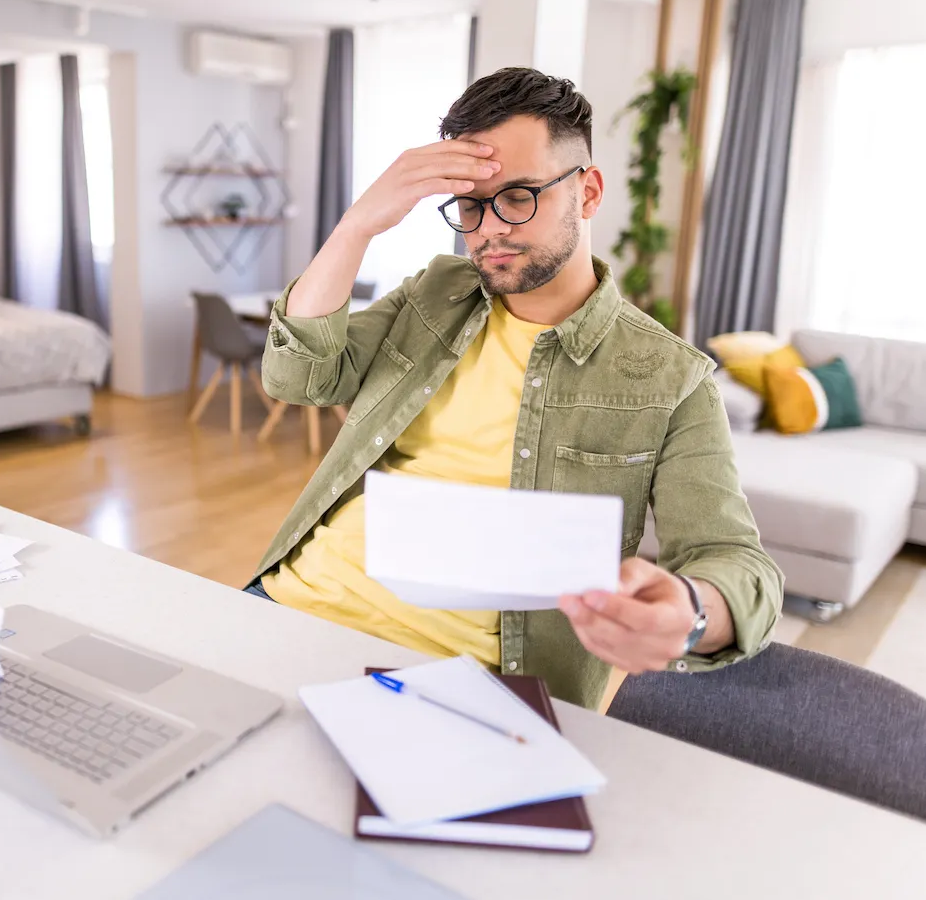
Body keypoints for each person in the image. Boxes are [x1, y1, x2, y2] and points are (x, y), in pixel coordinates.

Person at [245, 67, 783, 710]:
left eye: (519, 196)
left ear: (588, 193)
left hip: (461, 685)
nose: (489, 229)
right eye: (471, 205)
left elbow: (735, 562)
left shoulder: (670, 379)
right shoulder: (434, 294)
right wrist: (358, 225)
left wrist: (693, 611)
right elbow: (296, 376)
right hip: (287, 608)